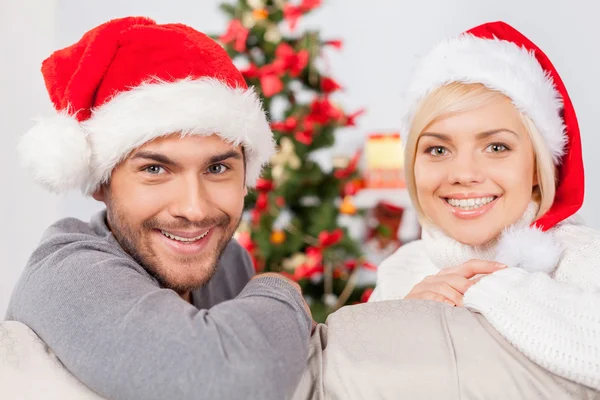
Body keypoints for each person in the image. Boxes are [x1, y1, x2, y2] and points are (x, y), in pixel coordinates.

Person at [5, 17, 313, 400]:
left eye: (217, 168)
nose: (195, 209)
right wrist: (280, 289)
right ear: (101, 182)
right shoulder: (65, 274)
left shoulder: (228, 261)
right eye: (155, 169)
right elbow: (227, 382)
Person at [370, 21, 600, 390]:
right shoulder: (400, 271)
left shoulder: (585, 260)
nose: (463, 173)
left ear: (538, 167)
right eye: (438, 149)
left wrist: (487, 289)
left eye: (496, 147)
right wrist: (401, 321)